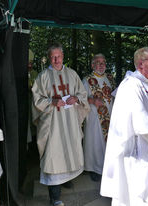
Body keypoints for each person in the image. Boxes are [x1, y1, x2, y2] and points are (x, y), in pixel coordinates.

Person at [100, 47, 148, 206]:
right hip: (134, 147)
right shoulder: (132, 85)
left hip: (143, 144)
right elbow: (142, 122)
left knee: (138, 189)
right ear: (141, 64)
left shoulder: (146, 84)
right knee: (134, 190)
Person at [32, 44, 90, 206]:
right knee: (53, 155)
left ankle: (67, 179)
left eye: (59, 56)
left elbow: (82, 93)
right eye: (53, 57)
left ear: (63, 56)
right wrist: (52, 101)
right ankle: (54, 197)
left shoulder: (72, 74)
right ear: (49, 58)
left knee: (69, 152)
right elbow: (36, 100)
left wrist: (77, 99)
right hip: (52, 124)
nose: (56, 60)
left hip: (70, 122)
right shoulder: (42, 77)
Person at [82, 54, 116, 181]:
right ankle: (94, 169)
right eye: (98, 62)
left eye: (103, 62)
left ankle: (107, 168)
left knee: (108, 142)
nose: (101, 65)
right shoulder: (87, 80)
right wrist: (92, 100)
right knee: (95, 142)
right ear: (92, 65)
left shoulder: (110, 78)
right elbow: (80, 97)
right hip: (95, 117)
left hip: (110, 115)